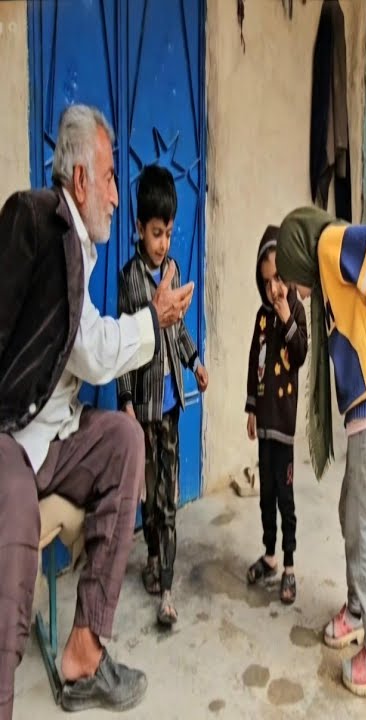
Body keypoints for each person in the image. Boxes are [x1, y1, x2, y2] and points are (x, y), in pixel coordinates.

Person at [0, 104, 193, 715]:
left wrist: (154, 325)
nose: (116, 194)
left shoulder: (79, 248)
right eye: (109, 178)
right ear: (81, 180)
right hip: (12, 434)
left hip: (56, 434)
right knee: (16, 529)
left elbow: (86, 341)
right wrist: (153, 319)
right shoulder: (45, 224)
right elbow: (91, 349)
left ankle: (84, 652)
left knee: (125, 442)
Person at [273, 205, 366, 701]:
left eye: (294, 281)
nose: (297, 290)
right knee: (349, 511)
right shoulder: (328, 263)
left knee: (361, 524)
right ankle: (357, 612)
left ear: (298, 255)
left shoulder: (329, 245)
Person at [117, 164, 209, 627]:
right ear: (138, 228)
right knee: (150, 498)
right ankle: (153, 560)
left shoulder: (172, 270)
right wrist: (126, 403)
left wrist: (195, 363)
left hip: (173, 403)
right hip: (144, 409)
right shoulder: (129, 279)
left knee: (167, 498)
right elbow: (124, 348)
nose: (164, 243)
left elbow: (178, 334)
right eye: (156, 233)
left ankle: (167, 591)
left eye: (169, 233)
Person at [243, 225, 309, 606]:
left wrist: (287, 315)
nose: (275, 290)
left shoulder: (295, 311)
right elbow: (255, 360)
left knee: (285, 496)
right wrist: (251, 406)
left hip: (283, 423)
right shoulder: (260, 317)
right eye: (268, 282)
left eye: (280, 279)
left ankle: (288, 564)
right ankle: (269, 554)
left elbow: (299, 354)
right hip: (264, 420)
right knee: (266, 493)